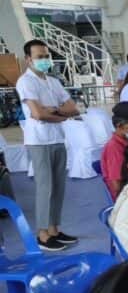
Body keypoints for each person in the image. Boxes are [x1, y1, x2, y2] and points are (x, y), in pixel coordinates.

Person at [15, 39, 80, 252]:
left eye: (46, 56)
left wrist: (55, 112)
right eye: (39, 56)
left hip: (57, 139)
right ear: (28, 59)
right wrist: (58, 114)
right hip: (39, 142)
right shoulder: (26, 82)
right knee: (45, 188)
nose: (44, 60)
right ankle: (42, 234)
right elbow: (37, 113)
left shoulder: (53, 82)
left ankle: (54, 229)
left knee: (59, 188)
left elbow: (73, 107)